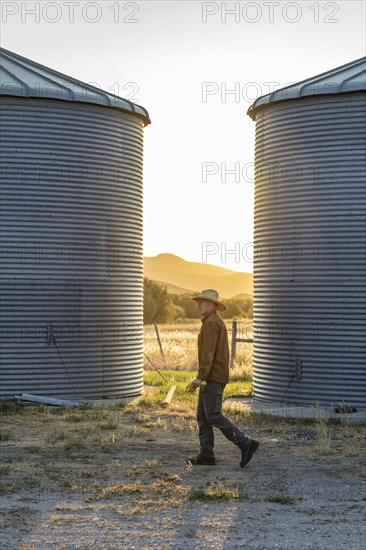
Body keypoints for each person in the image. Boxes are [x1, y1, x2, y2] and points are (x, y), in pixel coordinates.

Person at [186, 289, 259, 468]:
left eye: (203, 302)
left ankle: (245, 443)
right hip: (212, 376)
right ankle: (206, 454)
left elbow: (208, 354)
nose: (199, 305)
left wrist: (199, 377)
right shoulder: (213, 321)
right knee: (203, 416)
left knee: (213, 415)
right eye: (199, 301)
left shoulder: (211, 323)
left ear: (212, 305)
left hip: (212, 377)